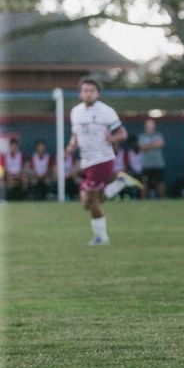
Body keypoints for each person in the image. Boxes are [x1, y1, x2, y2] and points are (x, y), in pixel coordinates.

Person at [67, 77, 128, 245]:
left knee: (92, 201)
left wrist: (111, 138)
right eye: (85, 91)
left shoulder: (106, 111)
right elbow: (75, 135)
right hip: (85, 160)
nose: (88, 94)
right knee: (87, 202)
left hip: (102, 159)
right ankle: (119, 184)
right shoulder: (76, 112)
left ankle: (101, 238)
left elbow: (123, 134)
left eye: (91, 91)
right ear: (80, 93)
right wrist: (72, 145)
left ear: (98, 93)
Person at [139, 118, 167, 198]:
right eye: (148, 126)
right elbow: (142, 147)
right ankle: (142, 201)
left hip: (158, 164)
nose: (150, 128)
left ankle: (163, 200)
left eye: (151, 126)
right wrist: (153, 144)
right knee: (145, 183)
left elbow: (161, 144)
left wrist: (148, 145)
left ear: (154, 127)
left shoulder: (158, 135)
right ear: (145, 127)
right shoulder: (142, 136)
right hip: (146, 165)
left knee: (160, 183)